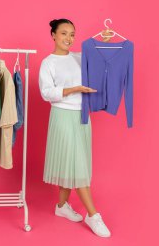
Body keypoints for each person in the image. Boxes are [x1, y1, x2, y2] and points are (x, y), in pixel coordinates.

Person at [39, 18, 111, 238]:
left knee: (73, 163)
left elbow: (98, 60)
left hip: (82, 116)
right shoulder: (48, 62)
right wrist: (74, 89)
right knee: (77, 165)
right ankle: (93, 215)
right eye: (63, 33)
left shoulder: (78, 57)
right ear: (53, 35)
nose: (68, 38)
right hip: (62, 116)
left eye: (72, 34)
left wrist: (104, 42)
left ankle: (61, 207)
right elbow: (46, 93)